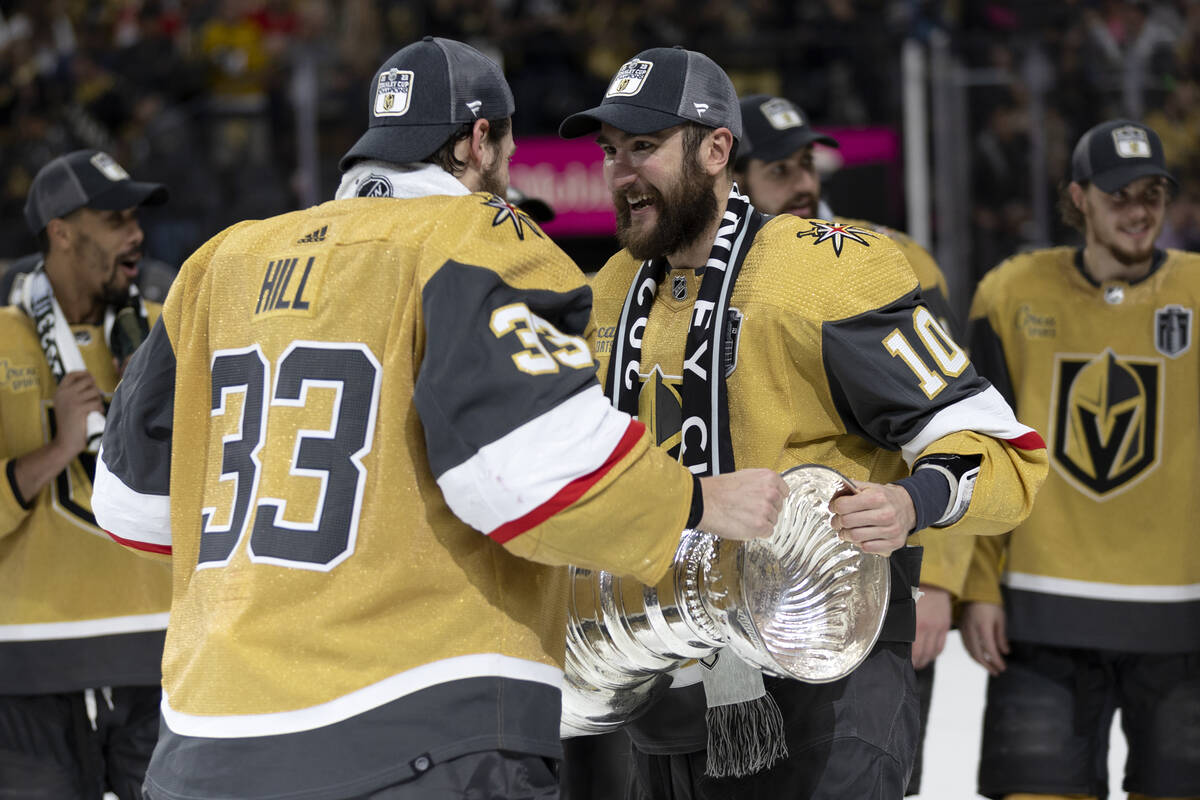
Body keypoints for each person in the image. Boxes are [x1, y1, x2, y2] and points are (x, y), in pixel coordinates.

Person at [91, 37, 786, 800]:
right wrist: (697, 502)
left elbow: (133, 507)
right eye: (509, 145)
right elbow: (533, 474)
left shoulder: (218, 261)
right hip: (418, 729)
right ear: (479, 140)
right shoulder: (479, 239)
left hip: (205, 738)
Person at [559, 46, 1048, 798]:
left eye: (645, 147)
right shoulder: (609, 290)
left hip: (826, 679)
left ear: (718, 148)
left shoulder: (828, 273)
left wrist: (909, 502)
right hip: (666, 684)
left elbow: (1004, 452)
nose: (623, 172)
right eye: (612, 151)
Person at [733, 92, 974, 797]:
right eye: (781, 170)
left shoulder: (891, 262)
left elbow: (959, 426)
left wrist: (940, 577)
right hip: (739, 611)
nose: (805, 183)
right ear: (734, 177)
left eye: (808, 163)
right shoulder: (701, 285)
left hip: (865, 592)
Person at [960, 119, 1200, 800]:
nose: (1139, 210)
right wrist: (978, 585)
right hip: (1043, 623)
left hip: (1182, 624)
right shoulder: (1010, 294)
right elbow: (976, 450)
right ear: (1079, 198)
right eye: (1120, 194)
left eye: (1152, 192)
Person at [0, 149, 170, 798]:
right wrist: (56, 449)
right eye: (115, 218)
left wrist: (159, 416)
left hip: (157, 659)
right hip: (29, 667)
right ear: (61, 232)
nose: (136, 233)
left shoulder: (166, 333)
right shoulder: (1, 340)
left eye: (136, 217)